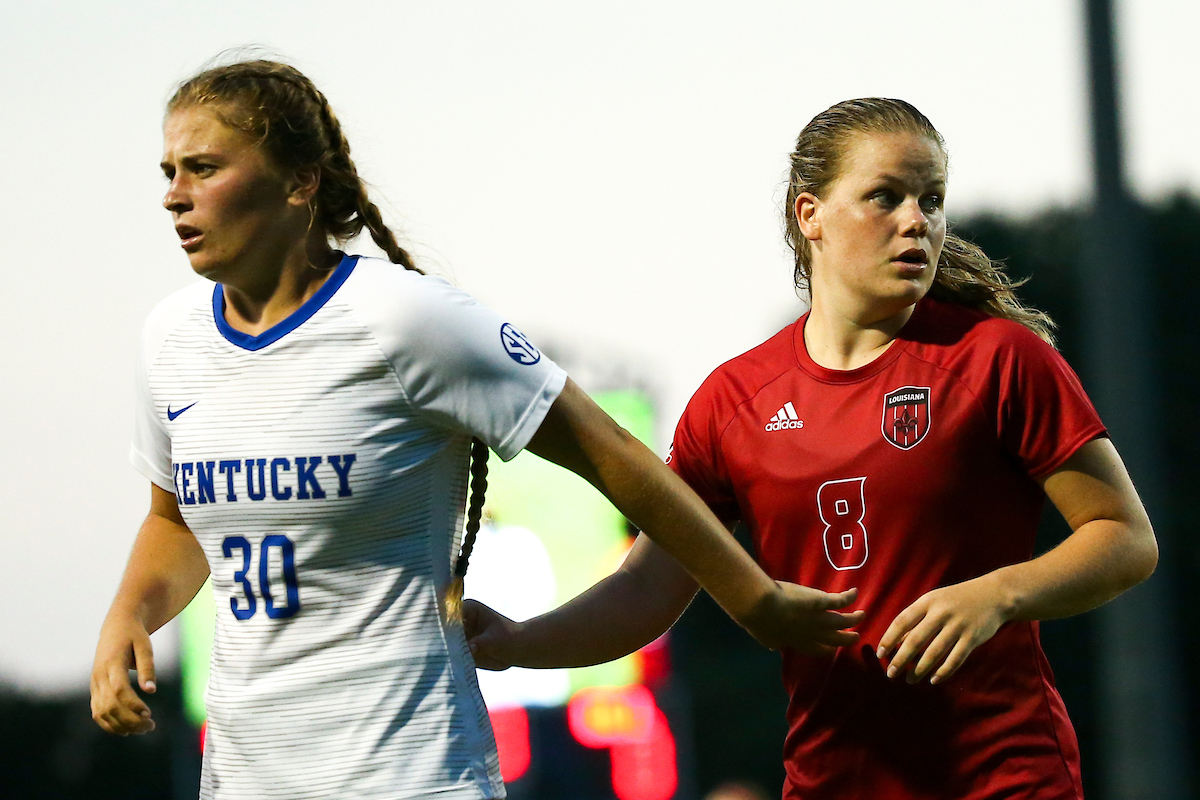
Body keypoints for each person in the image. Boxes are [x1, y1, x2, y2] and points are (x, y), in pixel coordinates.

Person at [88, 59, 861, 800]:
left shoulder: (407, 320)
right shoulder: (170, 339)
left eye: (204, 168)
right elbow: (176, 522)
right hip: (244, 781)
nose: (174, 197)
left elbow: (618, 458)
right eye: (169, 173)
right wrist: (130, 615)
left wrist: (753, 599)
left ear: (299, 182)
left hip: (411, 776)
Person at [465, 98, 1158, 799]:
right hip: (831, 783)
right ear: (810, 216)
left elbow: (1125, 538)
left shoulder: (997, 359)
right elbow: (645, 589)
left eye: (932, 199)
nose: (917, 221)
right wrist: (519, 642)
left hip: (1005, 780)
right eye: (885, 197)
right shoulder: (734, 401)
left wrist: (1000, 594)